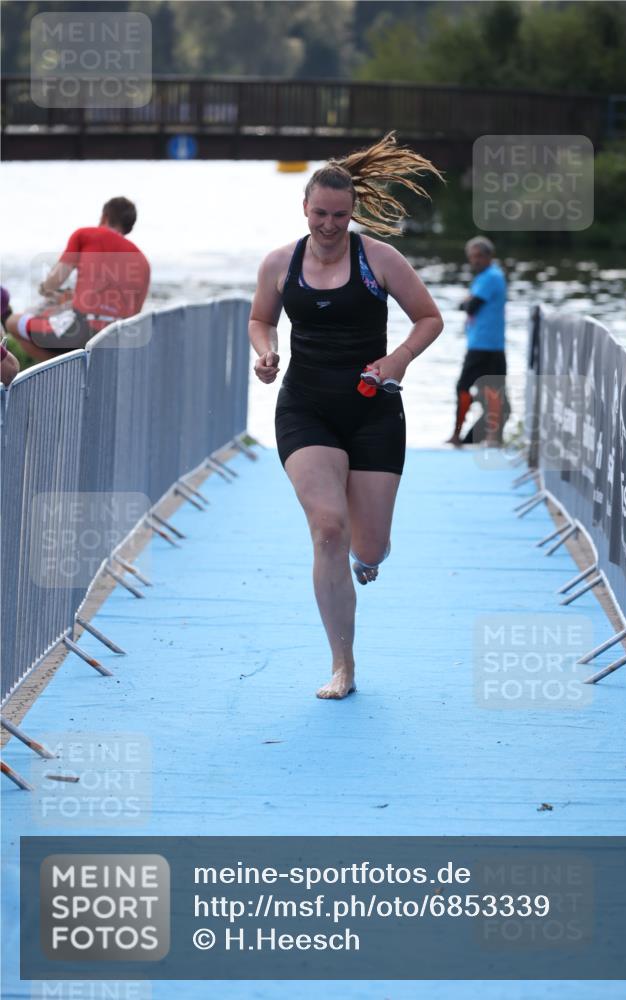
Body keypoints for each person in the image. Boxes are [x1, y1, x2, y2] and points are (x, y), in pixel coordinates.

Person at [249, 133, 444, 700]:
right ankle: (343, 666)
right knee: (327, 529)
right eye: (319, 214)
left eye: (339, 215)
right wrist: (264, 353)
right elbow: (261, 320)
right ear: (304, 209)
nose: (329, 225)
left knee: (370, 546)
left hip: (373, 408)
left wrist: (399, 360)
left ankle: (370, 556)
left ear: (352, 212)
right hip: (306, 406)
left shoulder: (379, 259)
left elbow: (429, 318)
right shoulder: (279, 264)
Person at [4, 197, 150, 363]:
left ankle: (61, 372)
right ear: (129, 227)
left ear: (104, 216)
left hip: (81, 330)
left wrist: (44, 289)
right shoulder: (143, 262)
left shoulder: (85, 235)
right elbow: (134, 314)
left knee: (13, 322)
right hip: (117, 339)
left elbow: (55, 281)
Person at [447, 236, 509, 446]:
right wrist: (465, 303)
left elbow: (470, 306)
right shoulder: (483, 277)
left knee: (474, 389)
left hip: (487, 346)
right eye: (472, 257)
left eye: (479, 256)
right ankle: (463, 437)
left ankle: (464, 437)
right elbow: (465, 305)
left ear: (489, 256)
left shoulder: (491, 277)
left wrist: (466, 303)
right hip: (479, 344)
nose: (475, 260)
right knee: (481, 392)